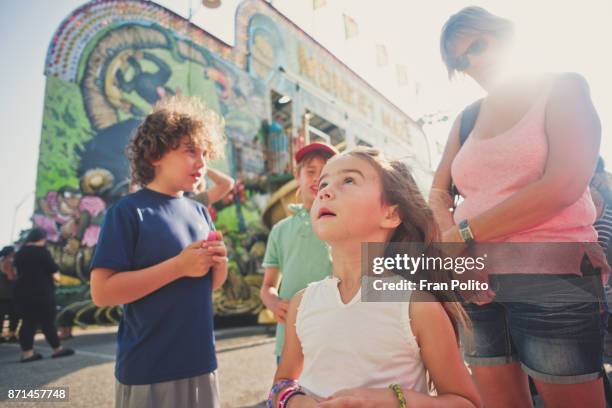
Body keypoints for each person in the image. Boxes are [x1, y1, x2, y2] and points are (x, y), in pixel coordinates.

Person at [431, 6, 608, 407]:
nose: (472, 62)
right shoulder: (466, 119)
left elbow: (563, 184)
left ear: (506, 35)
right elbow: (438, 192)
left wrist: (462, 235)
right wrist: (450, 245)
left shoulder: (563, 87)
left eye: (478, 44)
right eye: (461, 59)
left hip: (551, 275)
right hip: (474, 280)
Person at [268, 147, 483, 408]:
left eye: (348, 180)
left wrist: (395, 401)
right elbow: (281, 384)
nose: (322, 190)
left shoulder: (416, 306)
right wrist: (296, 402)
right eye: (323, 182)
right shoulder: (302, 304)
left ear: (390, 214)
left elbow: (466, 402)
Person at [90, 95, 228, 408]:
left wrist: (219, 263)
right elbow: (102, 292)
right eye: (190, 150)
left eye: (205, 153)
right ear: (155, 154)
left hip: (202, 363)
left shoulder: (200, 212)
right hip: (148, 370)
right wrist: (178, 266)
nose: (202, 162)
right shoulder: (126, 212)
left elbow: (207, 286)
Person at [260, 142, 337, 365]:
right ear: (297, 176)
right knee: (289, 397)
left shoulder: (344, 223)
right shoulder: (280, 230)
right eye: (310, 171)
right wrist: (274, 303)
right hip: (288, 342)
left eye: (325, 172)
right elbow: (267, 286)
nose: (317, 178)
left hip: (334, 340)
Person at [12, 228, 74, 362]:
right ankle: (57, 349)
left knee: (28, 322)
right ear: (41, 239)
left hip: (22, 292)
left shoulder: (20, 252)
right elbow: (53, 269)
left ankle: (27, 353)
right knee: (47, 321)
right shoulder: (41, 252)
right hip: (41, 292)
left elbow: (15, 271)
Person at [0, 245, 19, 342]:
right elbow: (10, 277)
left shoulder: (1, 261)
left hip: (2, 293)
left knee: (1, 315)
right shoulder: (8, 262)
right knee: (14, 314)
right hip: (9, 293)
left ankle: (1, 335)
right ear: (10, 253)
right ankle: (12, 334)